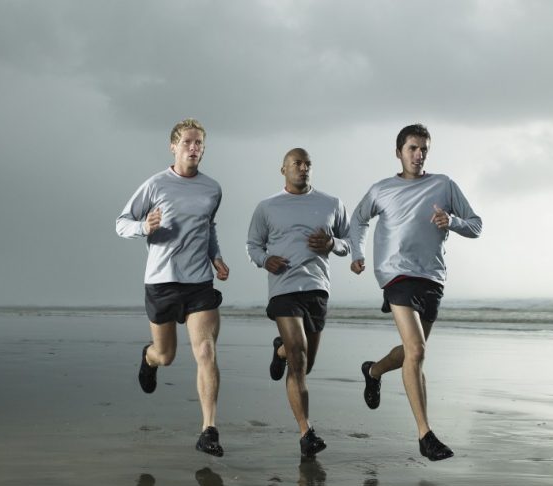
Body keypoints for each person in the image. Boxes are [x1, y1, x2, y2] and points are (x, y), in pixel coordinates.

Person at [349, 124, 482, 461]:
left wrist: (451, 222)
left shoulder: (443, 184)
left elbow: (476, 224)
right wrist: (357, 253)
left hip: (432, 277)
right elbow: (359, 219)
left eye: (424, 149)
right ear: (399, 152)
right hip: (396, 274)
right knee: (417, 351)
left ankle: (373, 371)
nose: (419, 155)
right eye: (412, 148)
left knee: (413, 352)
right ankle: (425, 434)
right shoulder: (382, 189)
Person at [116, 118, 229, 457]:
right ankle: (148, 359)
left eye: (199, 144)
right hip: (162, 281)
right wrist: (143, 226)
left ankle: (208, 429)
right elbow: (121, 223)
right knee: (166, 355)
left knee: (206, 351)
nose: (194, 148)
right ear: (174, 146)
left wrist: (216, 256)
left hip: (199, 284)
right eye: (187, 143)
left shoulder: (213, 189)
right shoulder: (155, 185)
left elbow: (208, 228)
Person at [247, 148, 351, 459]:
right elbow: (253, 244)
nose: (303, 168)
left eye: (307, 164)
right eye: (297, 163)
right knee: (299, 356)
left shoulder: (331, 204)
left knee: (305, 364)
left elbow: (350, 242)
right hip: (283, 287)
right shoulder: (267, 207)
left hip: (317, 288)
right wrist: (265, 260)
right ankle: (306, 432)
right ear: (283, 169)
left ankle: (279, 350)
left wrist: (333, 243)